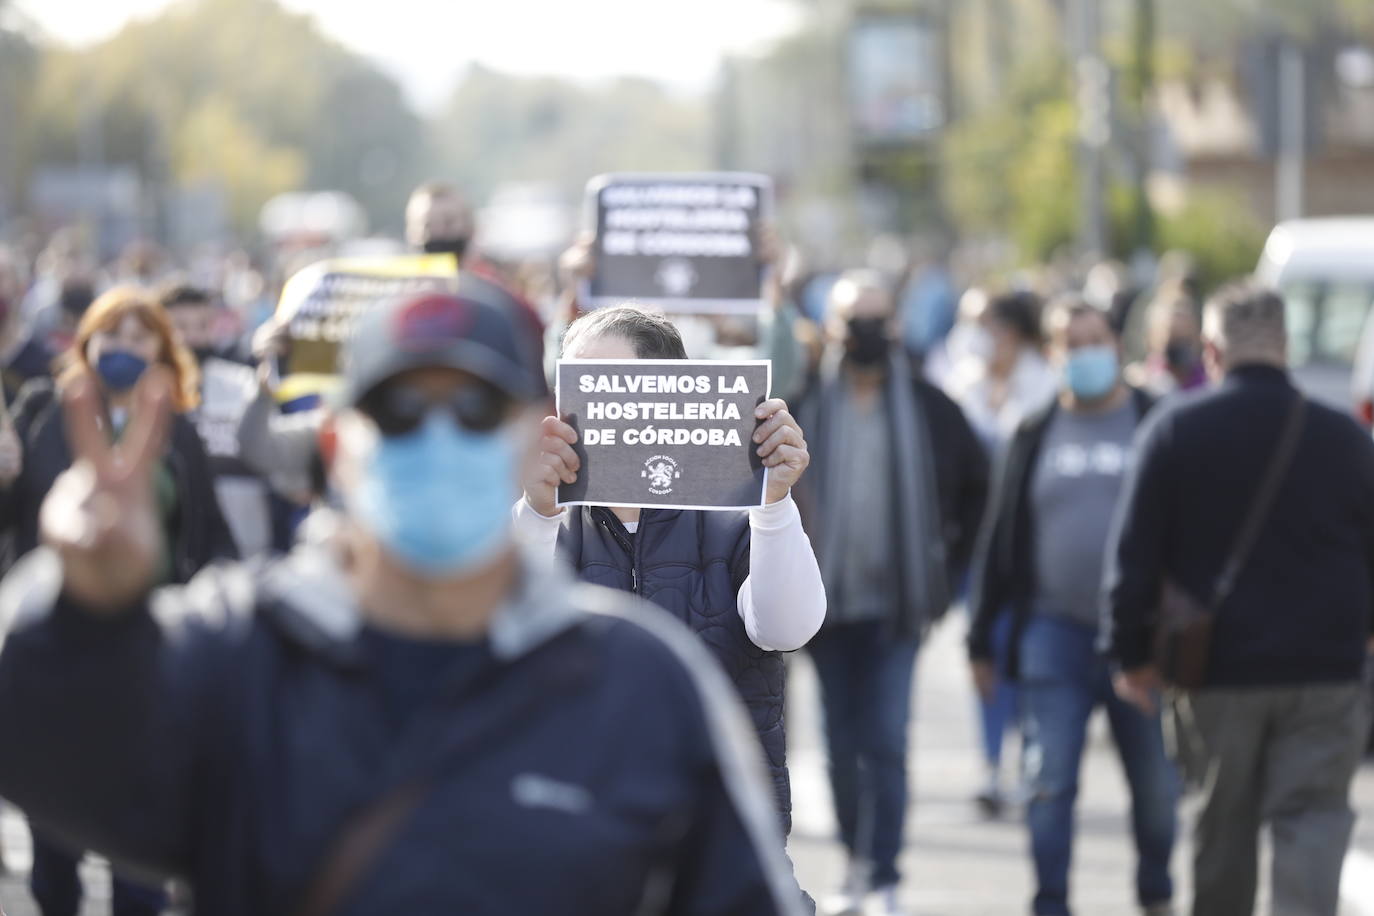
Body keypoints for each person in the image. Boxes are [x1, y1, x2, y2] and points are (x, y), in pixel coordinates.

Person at [0, 283, 808, 916]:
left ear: (535, 437)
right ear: (335, 447)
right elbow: (46, 762)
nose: (439, 437)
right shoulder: (243, 653)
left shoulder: (638, 681)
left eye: (476, 410)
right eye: (399, 410)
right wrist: (80, 610)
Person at [1106, 281, 1374, 916]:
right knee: (1312, 822)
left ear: (1211, 349)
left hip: (1212, 674)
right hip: (1326, 673)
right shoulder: (1346, 439)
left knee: (1222, 833)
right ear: (1285, 346)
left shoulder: (1175, 431)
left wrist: (1128, 655)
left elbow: (1134, 556)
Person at [516, 305, 826, 836]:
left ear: (672, 390)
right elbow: (502, 640)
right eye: (573, 383)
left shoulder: (738, 512)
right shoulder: (543, 515)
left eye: (605, 384)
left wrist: (774, 505)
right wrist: (539, 515)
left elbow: (786, 628)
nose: (585, 405)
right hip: (575, 836)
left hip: (719, 833)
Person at [0, 286, 238, 916]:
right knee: (54, 850)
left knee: (138, 863)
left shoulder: (176, 432)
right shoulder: (44, 408)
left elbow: (210, 535)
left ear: (163, 349)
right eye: (113, 335)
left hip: (151, 655)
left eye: (140, 338)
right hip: (58, 646)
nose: (124, 349)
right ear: (87, 343)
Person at [968, 297, 1177, 916]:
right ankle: (1051, 901)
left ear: (1117, 346)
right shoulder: (1033, 433)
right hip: (1052, 633)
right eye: (1071, 342)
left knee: (1156, 788)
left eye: (1096, 340)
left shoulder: (1154, 420)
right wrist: (981, 640)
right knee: (1048, 783)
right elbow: (999, 542)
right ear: (1054, 353)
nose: (1085, 353)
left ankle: (1156, 892)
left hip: (1140, 640)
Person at [791, 271, 989, 916]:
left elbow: (976, 490)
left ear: (897, 327)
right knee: (840, 747)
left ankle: (886, 874)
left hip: (898, 606)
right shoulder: (803, 407)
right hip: (822, 607)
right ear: (831, 330)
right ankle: (854, 858)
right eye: (855, 321)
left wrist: (944, 571)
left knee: (886, 742)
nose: (867, 333)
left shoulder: (933, 409)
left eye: (878, 319)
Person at [944, 289, 1058, 451]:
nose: (972, 333)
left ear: (1010, 332)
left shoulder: (1045, 383)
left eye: (980, 324)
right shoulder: (963, 381)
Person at [1123, 289, 1207, 397]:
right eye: (1173, 338)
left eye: (1186, 339)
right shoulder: (1141, 384)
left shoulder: (1210, 382)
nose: (1180, 345)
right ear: (1151, 338)